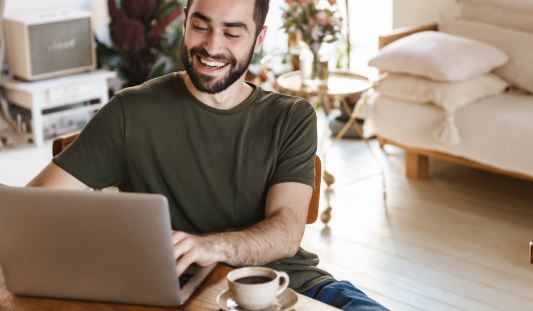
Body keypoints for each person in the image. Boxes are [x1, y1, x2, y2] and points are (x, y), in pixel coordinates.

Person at [27, 0, 388, 309]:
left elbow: (286, 232)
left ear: (259, 39)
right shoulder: (130, 113)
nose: (212, 47)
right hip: (183, 293)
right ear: (184, 23)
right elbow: (33, 208)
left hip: (295, 286)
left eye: (232, 33)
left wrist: (209, 246)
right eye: (201, 26)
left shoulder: (291, 117)